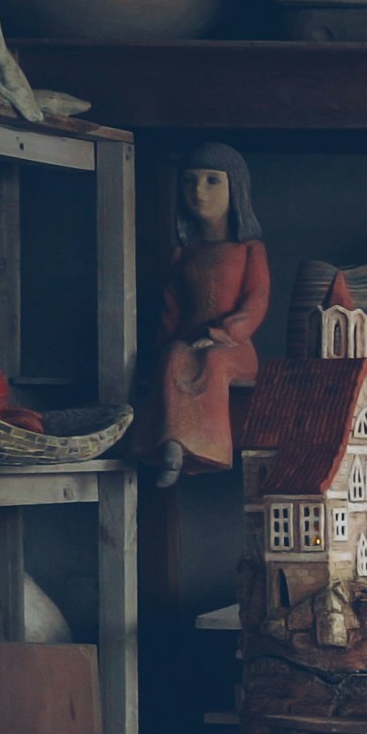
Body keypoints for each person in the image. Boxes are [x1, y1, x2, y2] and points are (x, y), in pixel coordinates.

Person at [139, 143, 269, 484]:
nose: (198, 192)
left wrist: (223, 333)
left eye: (212, 181)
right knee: (172, 358)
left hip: (233, 348)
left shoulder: (249, 250)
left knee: (215, 362)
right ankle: (171, 448)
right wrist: (161, 349)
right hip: (187, 343)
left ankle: (207, 449)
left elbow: (256, 302)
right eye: (189, 181)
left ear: (234, 187)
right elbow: (171, 310)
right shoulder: (183, 254)